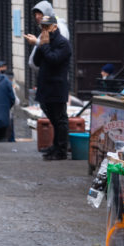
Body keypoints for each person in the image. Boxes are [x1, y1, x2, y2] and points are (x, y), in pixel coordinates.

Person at [32, 15, 72, 161]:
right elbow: (37, 62)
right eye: (42, 27)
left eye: (47, 27)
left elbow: (54, 59)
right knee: (53, 118)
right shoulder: (45, 42)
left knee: (60, 119)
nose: (44, 29)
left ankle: (61, 149)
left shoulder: (63, 43)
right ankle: (55, 146)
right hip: (45, 85)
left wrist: (43, 45)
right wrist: (40, 45)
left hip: (57, 86)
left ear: (54, 27)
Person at [25, 0, 69, 72]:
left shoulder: (61, 29)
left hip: (54, 78)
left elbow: (54, 52)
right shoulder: (46, 30)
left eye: (39, 14)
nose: (37, 17)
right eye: (35, 14)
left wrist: (36, 42)